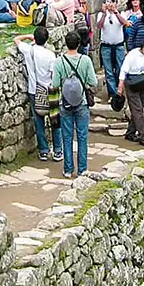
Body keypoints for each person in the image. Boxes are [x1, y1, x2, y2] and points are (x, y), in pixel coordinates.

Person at [52, 31, 97, 178]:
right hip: (82, 103)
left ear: (66, 43)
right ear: (78, 44)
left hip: (64, 103)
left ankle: (68, 169)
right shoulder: (85, 61)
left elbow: (55, 84)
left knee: (67, 136)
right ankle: (82, 169)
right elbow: (93, 82)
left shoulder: (59, 61)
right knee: (82, 136)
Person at [15, 28, 63, 162]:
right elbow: (54, 75)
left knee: (39, 121)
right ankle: (58, 150)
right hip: (50, 91)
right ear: (46, 40)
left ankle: (43, 151)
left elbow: (16, 40)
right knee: (54, 121)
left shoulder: (28, 50)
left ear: (35, 39)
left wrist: (28, 37)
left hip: (34, 90)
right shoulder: (50, 55)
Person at [119, 37, 144, 147]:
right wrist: (120, 88)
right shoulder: (132, 55)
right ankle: (143, 134)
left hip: (141, 81)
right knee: (137, 110)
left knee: (139, 108)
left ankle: (130, 132)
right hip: (131, 82)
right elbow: (124, 70)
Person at [97, 0, 130, 98]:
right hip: (106, 46)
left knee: (120, 68)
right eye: (108, 2)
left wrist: (116, 12)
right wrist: (104, 13)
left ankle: (119, 90)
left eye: (112, 2)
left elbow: (125, 23)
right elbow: (99, 25)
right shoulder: (101, 14)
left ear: (116, 3)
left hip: (119, 46)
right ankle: (112, 93)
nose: (110, 4)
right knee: (108, 70)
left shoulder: (121, 13)